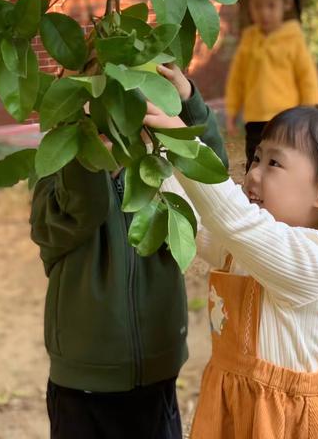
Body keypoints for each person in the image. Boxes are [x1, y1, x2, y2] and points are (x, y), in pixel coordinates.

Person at [143, 103, 318, 438]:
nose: (253, 174)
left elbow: (233, 220)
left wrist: (182, 142)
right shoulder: (247, 246)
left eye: (274, 163)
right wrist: (149, 147)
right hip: (233, 408)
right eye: (257, 158)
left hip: (288, 423)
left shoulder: (314, 260)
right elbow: (196, 220)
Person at [29, 64, 228, 439]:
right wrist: (85, 150)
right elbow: (78, 212)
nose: (114, 120)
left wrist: (186, 101)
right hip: (83, 383)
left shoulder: (162, 175)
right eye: (97, 107)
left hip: (157, 370)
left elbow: (211, 175)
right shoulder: (56, 173)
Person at [225, 0, 318, 170]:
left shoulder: (293, 38)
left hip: (286, 119)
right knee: (254, 160)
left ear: (285, 4)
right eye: (257, 6)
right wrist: (232, 111)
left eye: (271, 5)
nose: (264, 12)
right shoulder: (249, 37)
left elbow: (308, 79)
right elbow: (237, 78)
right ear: (248, 5)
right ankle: (254, 200)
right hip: (254, 119)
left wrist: (309, 115)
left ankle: (281, 198)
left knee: (282, 162)